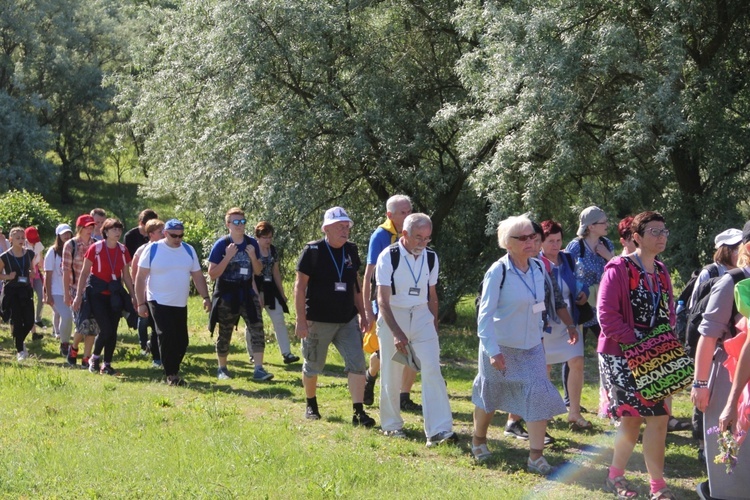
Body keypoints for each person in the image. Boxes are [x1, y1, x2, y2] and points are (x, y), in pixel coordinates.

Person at [471, 215, 572, 474]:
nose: (530, 241)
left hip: (532, 348)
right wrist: (492, 351)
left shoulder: (539, 268)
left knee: (538, 394)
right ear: (508, 242)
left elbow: (539, 307)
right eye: (522, 238)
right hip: (500, 347)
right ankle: (479, 440)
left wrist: (540, 337)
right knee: (489, 396)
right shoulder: (498, 271)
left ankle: (535, 456)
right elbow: (484, 316)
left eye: (532, 236)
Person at [598, 211, 676, 500]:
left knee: (659, 417)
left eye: (664, 231)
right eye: (654, 231)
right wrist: (637, 344)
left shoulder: (662, 270)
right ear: (637, 237)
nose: (661, 236)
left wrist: (665, 342)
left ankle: (658, 486)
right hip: (622, 354)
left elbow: (669, 311)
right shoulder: (618, 268)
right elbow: (606, 316)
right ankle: (615, 476)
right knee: (631, 419)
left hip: (657, 354)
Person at [376, 213, 455, 446]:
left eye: (427, 238)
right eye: (418, 237)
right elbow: (382, 300)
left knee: (432, 369)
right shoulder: (388, 256)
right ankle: (391, 426)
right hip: (394, 313)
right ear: (405, 234)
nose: (423, 243)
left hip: (421, 315)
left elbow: (432, 295)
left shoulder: (431, 257)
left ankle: (439, 430)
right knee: (391, 372)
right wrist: (397, 333)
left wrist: (433, 324)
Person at [294, 206, 375, 427]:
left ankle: (358, 412)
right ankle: (311, 404)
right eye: (340, 226)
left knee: (357, 364)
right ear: (326, 228)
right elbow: (300, 287)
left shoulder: (351, 250)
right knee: (313, 365)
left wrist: (364, 313)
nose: (345, 230)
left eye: (347, 226)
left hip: (347, 318)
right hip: (318, 320)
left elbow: (356, 284)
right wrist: (301, 320)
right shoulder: (313, 251)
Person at [692, 223, 750, 500]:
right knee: (732, 458)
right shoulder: (732, 281)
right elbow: (708, 336)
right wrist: (701, 384)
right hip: (727, 378)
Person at [362, 194, 421, 411]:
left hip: (411, 302)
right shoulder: (380, 235)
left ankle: (404, 396)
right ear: (390, 215)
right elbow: (369, 275)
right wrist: (368, 310)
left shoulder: (418, 232)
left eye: (409, 210)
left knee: (414, 347)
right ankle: (370, 376)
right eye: (403, 212)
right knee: (385, 351)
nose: (408, 214)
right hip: (386, 302)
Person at [135, 219, 211, 386]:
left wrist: (205, 297)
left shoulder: (188, 250)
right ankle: (171, 374)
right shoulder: (153, 249)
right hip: (157, 299)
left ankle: (172, 368)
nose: (178, 239)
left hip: (179, 302)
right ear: (165, 233)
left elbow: (198, 276)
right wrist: (140, 303)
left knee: (182, 340)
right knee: (166, 335)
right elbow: (140, 278)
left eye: (181, 235)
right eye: (174, 235)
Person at [208, 207, 272, 381]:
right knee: (225, 331)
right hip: (227, 293)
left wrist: (253, 257)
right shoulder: (222, 244)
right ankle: (222, 368)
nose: (239, 225)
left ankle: (259, 369)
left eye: (242, 222)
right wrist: (227, 256)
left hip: (247, 292)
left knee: (257, 327)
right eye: (235, 222)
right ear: (228, 224)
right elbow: (212, 274)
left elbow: (258, 271)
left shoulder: (252, 244)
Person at [539, 220, 592, 430]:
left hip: (570, 319)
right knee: (545, 366)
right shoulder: (536, 262)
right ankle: (545, 409)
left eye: (558, 240)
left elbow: (581, 282)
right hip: (546, 322)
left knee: (577, 361)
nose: (555, 245)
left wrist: (583, 294)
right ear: (541, 242)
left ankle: (574, 412)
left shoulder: (568, 259)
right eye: (550, 241)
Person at [72, 218, 137, 375]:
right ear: (105, 232)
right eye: (114, 229)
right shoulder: (96, 248)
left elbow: (126, 276)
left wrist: (133, 296)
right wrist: (78, 296)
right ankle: (94, 358)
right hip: (97, 293)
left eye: (119, 229)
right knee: (106, 328)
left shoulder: (123, 250)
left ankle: (106, 364)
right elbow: (85, 272)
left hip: (114, 294)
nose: (117, 232)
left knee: (113, 331)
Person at [254, 221, 299, 364]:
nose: (268, 240)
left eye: (270, 237)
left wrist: (282, 293)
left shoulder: (273, 250)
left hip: (270, 289)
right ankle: (252, 354)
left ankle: (287, 353)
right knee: (254, 322)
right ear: (258, 237)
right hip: (256, 288)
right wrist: (255, 295)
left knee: (279, 319)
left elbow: (276, 272)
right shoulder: (252, 250)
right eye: (265, 237)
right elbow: (250, 274)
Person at [64, 215, 99, 368]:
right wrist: (66, 294)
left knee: (93, 326)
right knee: (81, 324)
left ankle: (86, 358)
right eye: (87, 227)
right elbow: (65, 271)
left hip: (93, 290)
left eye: (92, 227)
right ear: (80, 228)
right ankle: (74, 348)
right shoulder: (71, 245)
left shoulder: (97, 244)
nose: (90, 230)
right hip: (75, 289)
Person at [131, 219, 165, 366]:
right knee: (153, 326)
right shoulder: (144, 250)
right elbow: (136, 274)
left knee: (163, 327)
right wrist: (140, 298)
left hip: (165, 294)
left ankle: (161, 353)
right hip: (149, 295)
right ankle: (156, 358)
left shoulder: (168, 248)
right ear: (151, 234)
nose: (164, 234)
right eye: (160, 232)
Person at [0, 228, 36, 360]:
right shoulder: (4, 257)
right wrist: (8, 276)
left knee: (29, 321)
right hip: (12, 292)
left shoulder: (29, 254)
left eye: (22, 237)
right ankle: (20, 350)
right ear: (11, 240)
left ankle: (19, 341)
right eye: (18, 238)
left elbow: (32, 269)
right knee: (16, 319)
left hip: (25, 290)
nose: (21, 240)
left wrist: (32, 273)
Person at [43, 224, 74, 356]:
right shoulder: (53, 252)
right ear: (58, 236)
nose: (66, 236)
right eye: (63, 234)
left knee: (69, 318)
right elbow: (48, 274)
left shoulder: (74, 249)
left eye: (68, 233)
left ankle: (65, 342)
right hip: (56, 291)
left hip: (71, 291)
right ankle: (64, 343)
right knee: (66, 316)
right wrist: (47, 294)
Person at [25, 226, 45, 338]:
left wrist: (44, 272)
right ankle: (29, 321)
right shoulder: (23, 245)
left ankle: (38, 318)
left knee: (42, 295)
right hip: (26, 275)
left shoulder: (38, 245)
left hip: (36, 273)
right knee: (29, 299)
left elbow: (41, 261)